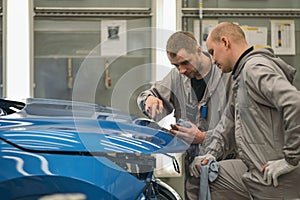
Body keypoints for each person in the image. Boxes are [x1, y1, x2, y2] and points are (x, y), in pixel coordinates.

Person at [188, 22, 300, 199]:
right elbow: (228, 123)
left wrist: (290, 160)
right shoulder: (240, 76)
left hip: (274, 175)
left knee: (208, 180)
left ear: (225, 42)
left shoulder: (254, 69)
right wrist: (211, 154)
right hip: (256, 167)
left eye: (212, 52)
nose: (213, 60)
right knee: (205, 174)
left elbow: (295, 103)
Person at [137, 31, 233, 199]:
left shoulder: (227, 74)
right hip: (194, 170)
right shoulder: (178, 77)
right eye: (176, 66)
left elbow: (242, 129)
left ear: (197, 50)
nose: (181, 70)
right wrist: (150, 100)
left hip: (226, 168)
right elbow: (151, 95)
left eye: (184, 63)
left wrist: (204, 137)